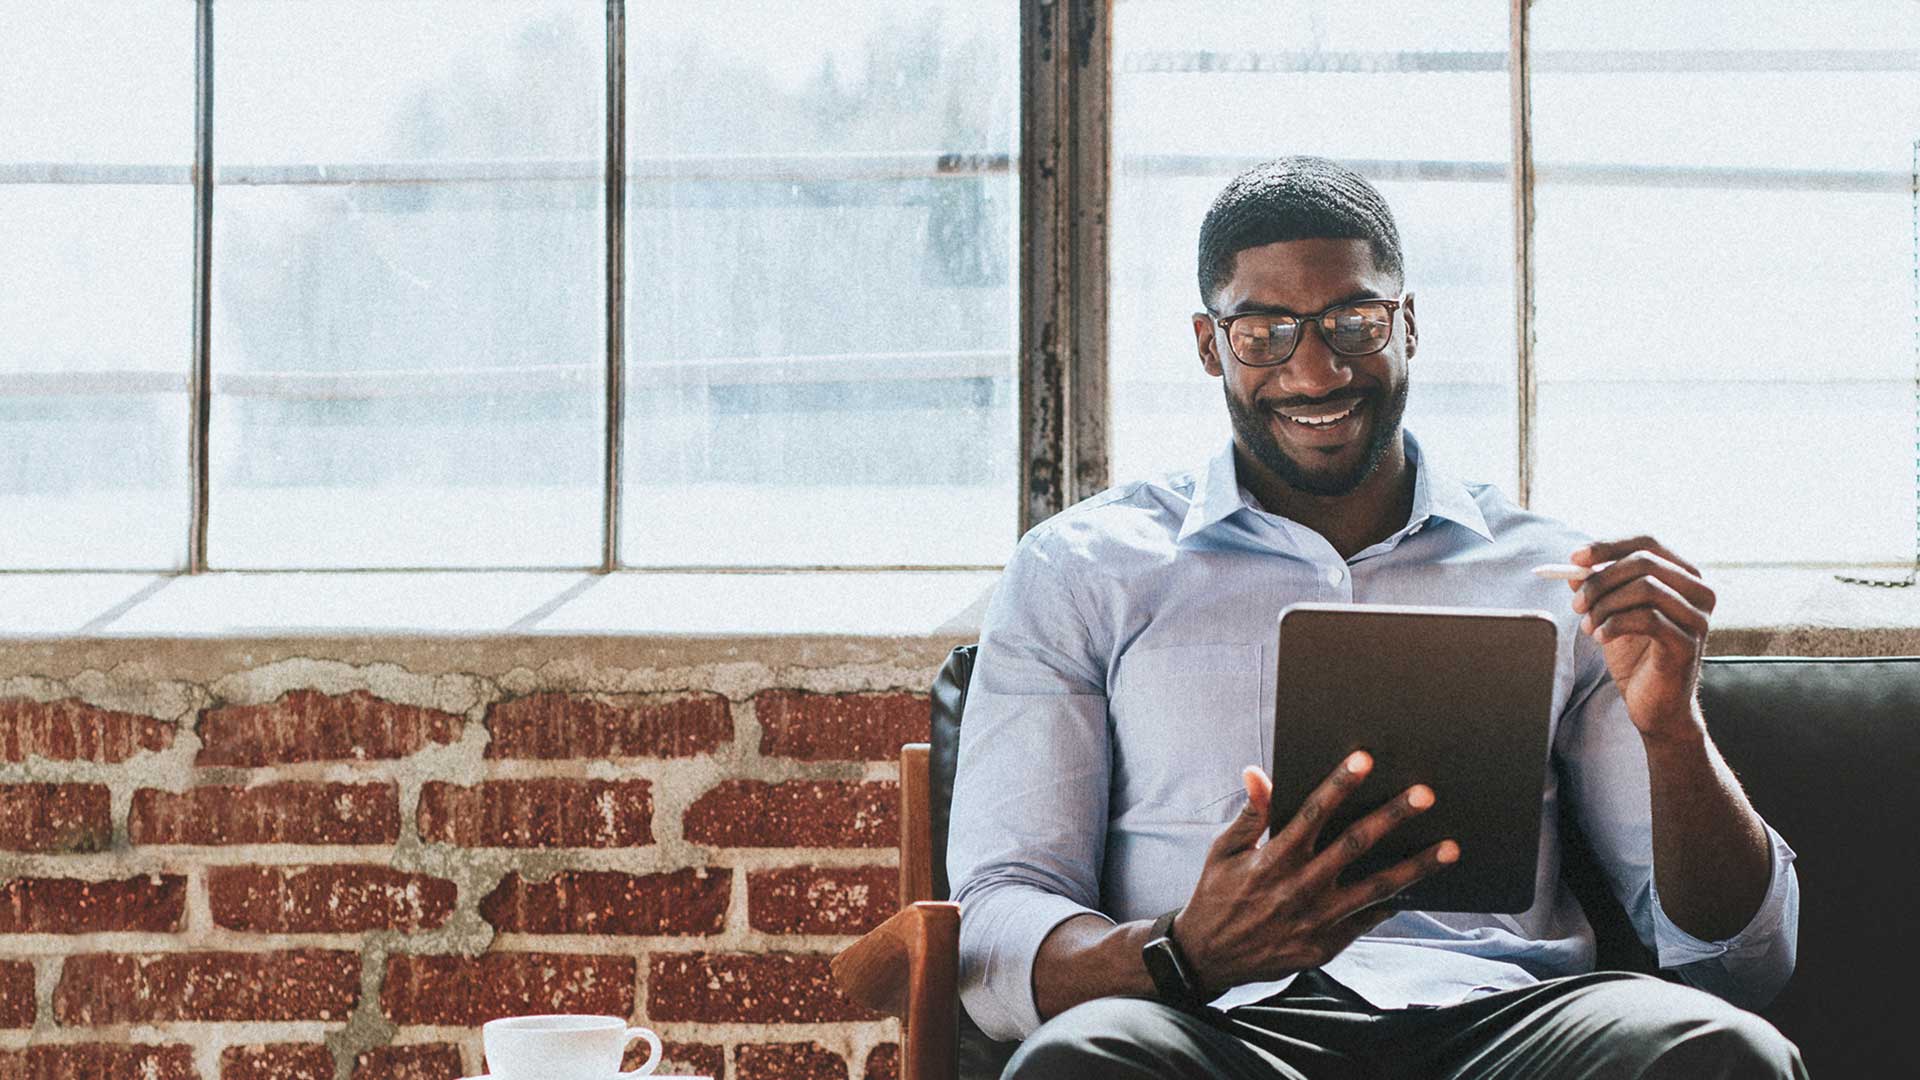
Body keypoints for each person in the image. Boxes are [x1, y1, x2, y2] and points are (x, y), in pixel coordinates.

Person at [946, 156, 1804, 1079]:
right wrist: (1185, 951)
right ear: (1209, 344)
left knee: (1724, 1051)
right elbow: (999, 919)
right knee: (1081, 1062)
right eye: (1265, 331)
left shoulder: (1553, 574)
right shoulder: (1083, 568)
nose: (1316, 371)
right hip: (1210, 1026)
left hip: (1505, 1022)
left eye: (1354, 321)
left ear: (1408, 326)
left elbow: (1739, 959)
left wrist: (1674, 731)